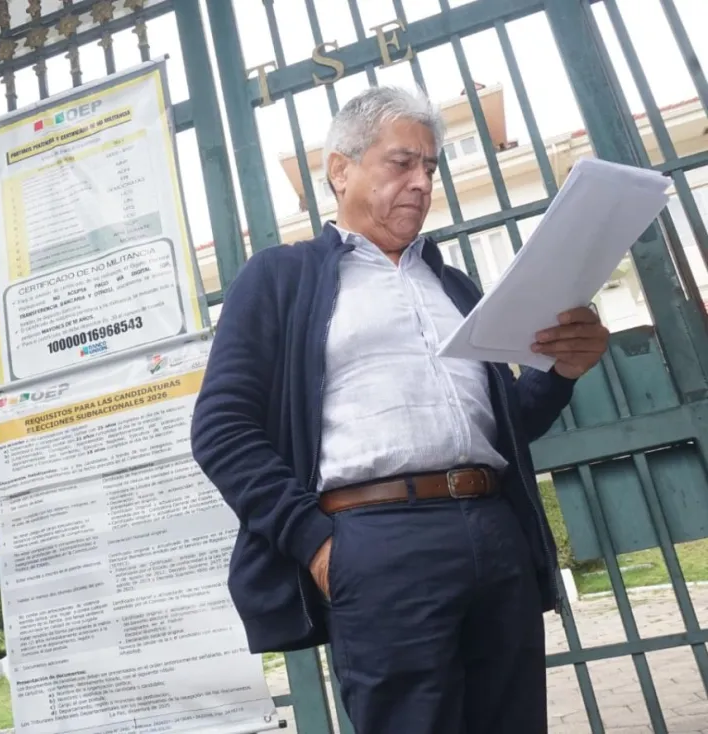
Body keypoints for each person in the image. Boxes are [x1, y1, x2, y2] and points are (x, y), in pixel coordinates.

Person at [190, 86, 609, 734]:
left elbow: (503, 429)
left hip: (494, 531)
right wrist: (320, 546)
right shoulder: (280, 278)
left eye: (431, 167)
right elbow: (222, 429)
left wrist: (561, 372)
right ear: (340, 169)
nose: (421, 182)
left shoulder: (454, 285)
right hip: (375, 542)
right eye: (401, 162)